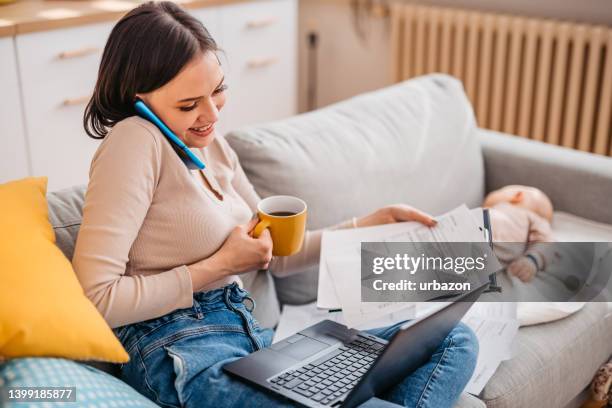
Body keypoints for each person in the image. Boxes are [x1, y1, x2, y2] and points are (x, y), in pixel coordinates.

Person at [72, 2, 478, 407]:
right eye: (188, 104)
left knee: (454, 338)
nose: (211, 114)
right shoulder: (133, 140)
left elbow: (276, 255)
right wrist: (219, 266)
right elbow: (95, 299)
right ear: (137, 98)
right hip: (185, 353)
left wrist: (367, 224)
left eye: (217, 90)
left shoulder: (215, 149)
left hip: (253, 343)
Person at [484, 184, 556, 282]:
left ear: (517, 196)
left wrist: (532, 260)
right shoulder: (495, 209)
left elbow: (547, 241)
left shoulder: (532, 218)